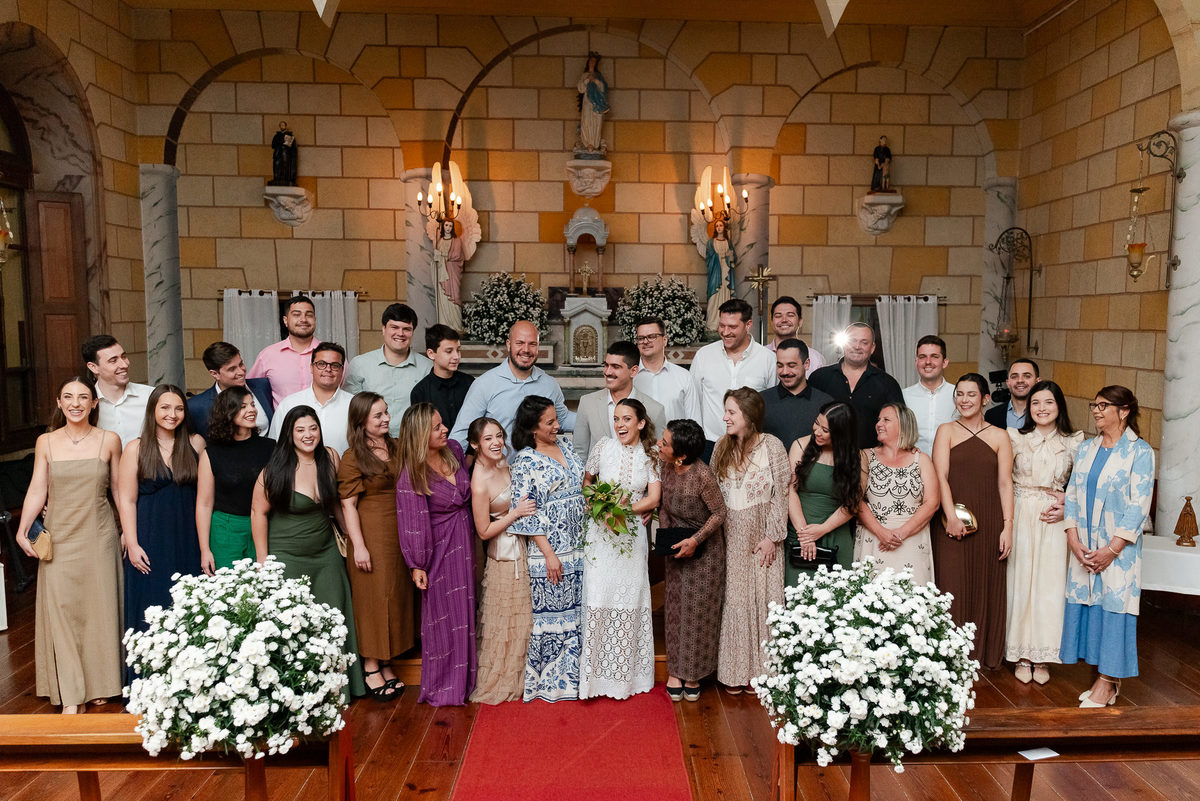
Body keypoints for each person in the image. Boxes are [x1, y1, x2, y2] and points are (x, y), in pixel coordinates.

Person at [14, 376, 124, 713]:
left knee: (98, 609)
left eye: (83, 397)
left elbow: (120, 491)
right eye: (68, 397)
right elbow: (38, 488)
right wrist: (22, 530)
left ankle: (101, 683)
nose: (75, 403)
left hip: (99, 534)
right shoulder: (46, 442)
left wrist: (128, 534)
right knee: (62, 610)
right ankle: (72, 691)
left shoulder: (109, 440)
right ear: (59, 403)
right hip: (59, 536)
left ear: (94, 403)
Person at [251, 406, 366, 700]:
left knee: (335, 615)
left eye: (312, 428)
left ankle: (339, 688)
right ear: (289, 434)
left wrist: (354, 541)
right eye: (300, 430)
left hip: (326, 551)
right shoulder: (275, 470)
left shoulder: (330, 458)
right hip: (287, 554)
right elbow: (258, 512)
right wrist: (263, 560)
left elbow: (336, 505)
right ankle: (300, 693)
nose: (308, 435)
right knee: (294, 623)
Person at [1062, 386, 1154, 708]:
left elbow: (1138, 506)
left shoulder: (1140, 452)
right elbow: (1072, 495)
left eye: (1104, 405)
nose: (1096, 410)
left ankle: (1107, 683)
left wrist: (1111, 550)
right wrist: (1073, 539)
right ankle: (1103, 679)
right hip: (1085, 547)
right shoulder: (1086, 448)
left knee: (1116, 610)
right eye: (1095, 405)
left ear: (1124, 411)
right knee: (1092, 609)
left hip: (1119, 552)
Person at [116, 385, 205, 668]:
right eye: (165, 407)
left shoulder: (196, 444)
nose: (172, 414)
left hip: (187, 536)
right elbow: (127, 499)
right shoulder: (136, 448)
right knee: (151, 604)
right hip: (150, 537)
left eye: (179, 408)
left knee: (188, 606)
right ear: (152, 410)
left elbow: (205, 497)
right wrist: (132, 544)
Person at [931, 373, 1015, 671]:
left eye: (971, 394)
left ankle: (982, 653)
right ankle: (949, 656)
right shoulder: (946, 430)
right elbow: (940, 476)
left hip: (990, 518)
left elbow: (1005, 483)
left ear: (985, 399)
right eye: (959, 394)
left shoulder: (1000, 436)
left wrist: (1008, 526)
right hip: (951, 518)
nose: (964, 400)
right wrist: (950, 516)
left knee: (985, 584)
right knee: (950, 584)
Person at [396, 402, 477, 706]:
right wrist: (417, 564)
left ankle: (467, 681)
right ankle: (444, 686)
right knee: (442, 618)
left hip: (466, 542)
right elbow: (411, 521)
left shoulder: (453, 450)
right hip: (437, 549)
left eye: (442, 423)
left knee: (467, 610)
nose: (445, 429)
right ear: (420, 434)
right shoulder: (412, 473)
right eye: (436, 427)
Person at [579, 399, 660, 700]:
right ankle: (593, 679)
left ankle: (626, 677)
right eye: (616, 419)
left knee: (629, 598)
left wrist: (622, 511)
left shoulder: (651, 455)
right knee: (599, 595)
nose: (620, 425)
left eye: (626, 419)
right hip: (600, 536)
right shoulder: (602, 447)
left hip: (632, 536)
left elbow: (653, 498)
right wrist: (599, 508)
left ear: (641, 423)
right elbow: (587, 483)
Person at [507, 395, 586, 702]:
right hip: (551, 551)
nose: (557, 426)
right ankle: (554, 683)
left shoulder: (566, 445)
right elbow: (527, 514)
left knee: (577, 611)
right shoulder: (525, 461)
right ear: (532, 428)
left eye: (556, 420)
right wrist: (550, 555)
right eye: (549, 422)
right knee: (555, 615)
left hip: (578, 546)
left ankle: (580, 680)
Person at [1006, 380, 1084, 685]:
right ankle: (1021, 654)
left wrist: (1068, 505)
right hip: (1021, 511)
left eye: (1048, 402)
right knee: (1020, 581)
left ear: (1059, 406)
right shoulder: (1014, 437)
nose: (1041, 408)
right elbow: (1002, 480)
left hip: (1054, 517)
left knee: (1049, 585)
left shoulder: (1075, 442)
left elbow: (1083, 486)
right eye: (1035, 403)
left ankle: (1043, 655)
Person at [713, 388, 790, 693]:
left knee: (764, 602)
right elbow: (713, 495)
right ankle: (736, 672)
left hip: (763, 537)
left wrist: (772, 536)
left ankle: (763, 674)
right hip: (730, 537)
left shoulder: (773, 446)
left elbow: (782, 494)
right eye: (726, 411)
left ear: (749, 415)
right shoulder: (721, 447)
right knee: (736, 603)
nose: (725, 417)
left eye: (731, 412)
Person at [337, 392, 413, 701]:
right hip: (371, 532)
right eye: (378, 415)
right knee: (373, 598)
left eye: (386, 412)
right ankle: (370, 666)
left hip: (398, 531)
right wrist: (359, 546)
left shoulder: (395, 446)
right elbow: (348, 505)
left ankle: (386, 660)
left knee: (395, 595)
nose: (386, 419)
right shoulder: (352, 456)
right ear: (361, 421)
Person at [467, 417, 537, 704]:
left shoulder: (505, 463)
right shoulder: (479, 482)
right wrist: (515, 514)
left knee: (524, 617)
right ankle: (504, 677)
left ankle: (526, 675)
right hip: (503, 557)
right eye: (488, 439)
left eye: (499, 436)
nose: (496, 442)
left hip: (523, 549)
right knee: (504, 620)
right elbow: (483, 531)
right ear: (475, 445)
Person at [659, 419, 726, 702]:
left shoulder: (702, 475)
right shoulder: (665, 466)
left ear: (681, 454)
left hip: (705, 555)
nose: (659, 445)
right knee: (675, 612)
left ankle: (693, 674)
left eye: (664, 443)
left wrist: (695, 541)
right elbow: (663, 506)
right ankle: (675, 671)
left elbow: (719, 513)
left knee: (697, 616)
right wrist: (666, 536)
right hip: (676, 549)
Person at [450, 320, 575, 452]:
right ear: (509, 345)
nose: (526, 350)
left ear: (538, 346)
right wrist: (447, 462)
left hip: (539, 464)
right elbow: (462, 433)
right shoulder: (485, 384)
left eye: (532, 344)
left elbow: (563, 419)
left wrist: (590, 414)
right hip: (500, 464)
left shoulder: (549, 384)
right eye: (519, 343)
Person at [855, 403, 938, 583]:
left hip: (911, 540)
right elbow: (856, 500)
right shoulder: (865, 456)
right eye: (878, 420)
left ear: (903, 425)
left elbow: (932, 502)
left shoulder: (922, 459)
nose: (879, 424)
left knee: (912, 594)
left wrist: (901, 533)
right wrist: (881, 532)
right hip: (874, 539)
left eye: (886, 420)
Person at [196, 386, 275, 572]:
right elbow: (204, 504)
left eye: (252, 405)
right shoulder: (211, 453)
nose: (251, 410)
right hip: (226, 530)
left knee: (266, 585)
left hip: (264, 526)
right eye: (243, 406)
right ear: (228, 412)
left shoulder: (270, 447)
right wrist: (205, 549)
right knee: (228, 587)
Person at [690, 298, 777, 459]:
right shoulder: (704, 355)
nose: (725, 332)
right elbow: (694, 400)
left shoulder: (767, 359)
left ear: (748, 325)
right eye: (722, 326)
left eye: (732, 327)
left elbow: (770, 405)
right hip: (710, 444)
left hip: (751, 446)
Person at [786, 401, 862, 581]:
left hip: (835, 534)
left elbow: (853, 502)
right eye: (816, 423)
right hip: (800, 532)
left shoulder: (856, 457)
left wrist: (823, 529)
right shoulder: (800, 445)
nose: (817, 431)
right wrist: (805, 535)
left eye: (825, 430)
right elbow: (790, 491)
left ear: (841, 434)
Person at [808, 322, 904, 448]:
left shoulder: (888, 384)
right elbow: (808, 418)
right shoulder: (819, 378)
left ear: (872, 348)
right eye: (852, 341)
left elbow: (899, 426)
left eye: (864, 342)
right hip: (825, 455)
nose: (857, 346)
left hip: (870, 457)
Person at [344, 303, 431, 435]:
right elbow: (352, 410)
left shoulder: (428, 367)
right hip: (370, 442)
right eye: (394, 327)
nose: (400, 333)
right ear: (384, 329)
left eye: (406, 329)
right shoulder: (360, 364)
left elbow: (430, 412)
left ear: (413, 332)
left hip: (413, 442)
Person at [573, 340, 665, 460]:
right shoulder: (587, 403)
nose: (607, 372)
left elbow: (659, 456)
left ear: (633, 371)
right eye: (606, 365)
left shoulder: (654, 409)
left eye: (615, 367)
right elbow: (579, 452)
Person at [270, 343, 354, 454]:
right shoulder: (289, 404)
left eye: (335, 365)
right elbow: (275, 446)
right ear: (311, 367)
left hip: (343, 465)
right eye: (321, 364)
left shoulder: (354, 405)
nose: (328, 369)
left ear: (342, 370)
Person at [187, 341, 273, 437]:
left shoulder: (263, 386)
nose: (241, 372)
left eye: (241, 364)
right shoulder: (195, 407)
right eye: (232, 369)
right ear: (215, 374)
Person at [759, 338, 833, 450]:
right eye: (780, 366)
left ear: (806, 364)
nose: (785, 372)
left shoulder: (825, 403)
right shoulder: (761, 401)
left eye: (791, 365)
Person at [247, 294, 322, 406]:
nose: (303, 319)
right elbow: (250, 390)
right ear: (285, 321)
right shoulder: (268, 355)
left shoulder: (332, 355)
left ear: (314, 320)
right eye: (296, 315)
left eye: (309, 315)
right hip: (283, 418)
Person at [83, 334, 152, 447]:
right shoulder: (85, 404)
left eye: (123, 357)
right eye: (113, 360)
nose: (124, 364)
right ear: (93, 367)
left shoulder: (150, 396)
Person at [632, 316, 700, 422]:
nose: (645, 341)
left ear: (664, 340)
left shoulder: (684, 377)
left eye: (651, 336)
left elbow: (694, 421)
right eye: (641, 338)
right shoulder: (630, 377)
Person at [410, 324, 474, 434]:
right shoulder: (420, 392)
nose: (456, 356)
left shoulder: (470, 383)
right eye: (449, 351)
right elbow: (421, 434)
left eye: (458, 350)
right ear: (431, 354)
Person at [902, 335, 956, 455]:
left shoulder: (958, 395)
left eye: (934, 356)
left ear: (945, 362)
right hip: (914, 464)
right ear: (916, 362)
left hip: (951, 464)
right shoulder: (903, 396)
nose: (928, 362)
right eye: (922, 357)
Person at [767, 296, 826, 375]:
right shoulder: (760, 355)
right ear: (771, 322)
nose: (784, 320)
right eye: (778, 316)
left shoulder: (815, 358)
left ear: (800, 321)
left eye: (790, 315)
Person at [985, 358, 1039, 430]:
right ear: (1008, 383)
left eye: (1027, 376)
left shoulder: (1045, 414)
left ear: (1037, 382)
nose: (1020, 380)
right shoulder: (992, 415)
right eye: (1014, 377)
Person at [704, 217, 737, 331]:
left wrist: (730, 257)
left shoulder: (728, 242)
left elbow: (734, 257)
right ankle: (712, 324)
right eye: (717, 226)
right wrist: (720, 257)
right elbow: (708, 258)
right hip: (715, 273)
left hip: (726, 272)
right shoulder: (711, 242)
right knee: (714, 298)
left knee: (726, 296)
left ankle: (726, 324)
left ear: (724, 228)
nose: (719, 228)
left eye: (721, 225)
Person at [433, 219, 466, 331]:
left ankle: (456, 325)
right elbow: (436, 258)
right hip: (442, 272)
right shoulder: (440, 240)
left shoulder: (457, 241)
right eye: (446, 225)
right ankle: (444, 324)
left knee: (455, 294)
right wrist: (436, 257)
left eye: (450, 226)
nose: (448, 228)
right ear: (443, 226)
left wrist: (441, 254)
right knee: (443, 297)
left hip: (452, 271)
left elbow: (457, 255)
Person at [575, 51, 609, 154]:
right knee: (586, 121)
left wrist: (595, 81)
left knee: (596, 122)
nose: (592, 64)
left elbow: (603, 88)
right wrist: (587, 80)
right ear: (588, 62)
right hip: (587, 102)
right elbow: (580, 89)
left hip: (597, 103)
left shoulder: (598, 76)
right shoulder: (584, 75)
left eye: (594, 62)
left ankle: (595, 143)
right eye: (590, 61)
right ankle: (587, 143)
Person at [270, 121, 297, 186]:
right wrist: (280, 143)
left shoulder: (289, 135)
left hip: (285, 153)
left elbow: (292, 147)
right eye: (281, 125)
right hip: (278, 153)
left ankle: (285, 179)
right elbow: (273, 145)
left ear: (285, 126)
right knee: (277, 165)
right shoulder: (276, 136)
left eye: (283, 125)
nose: (282, 126)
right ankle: (277, 178)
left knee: (285, 165)